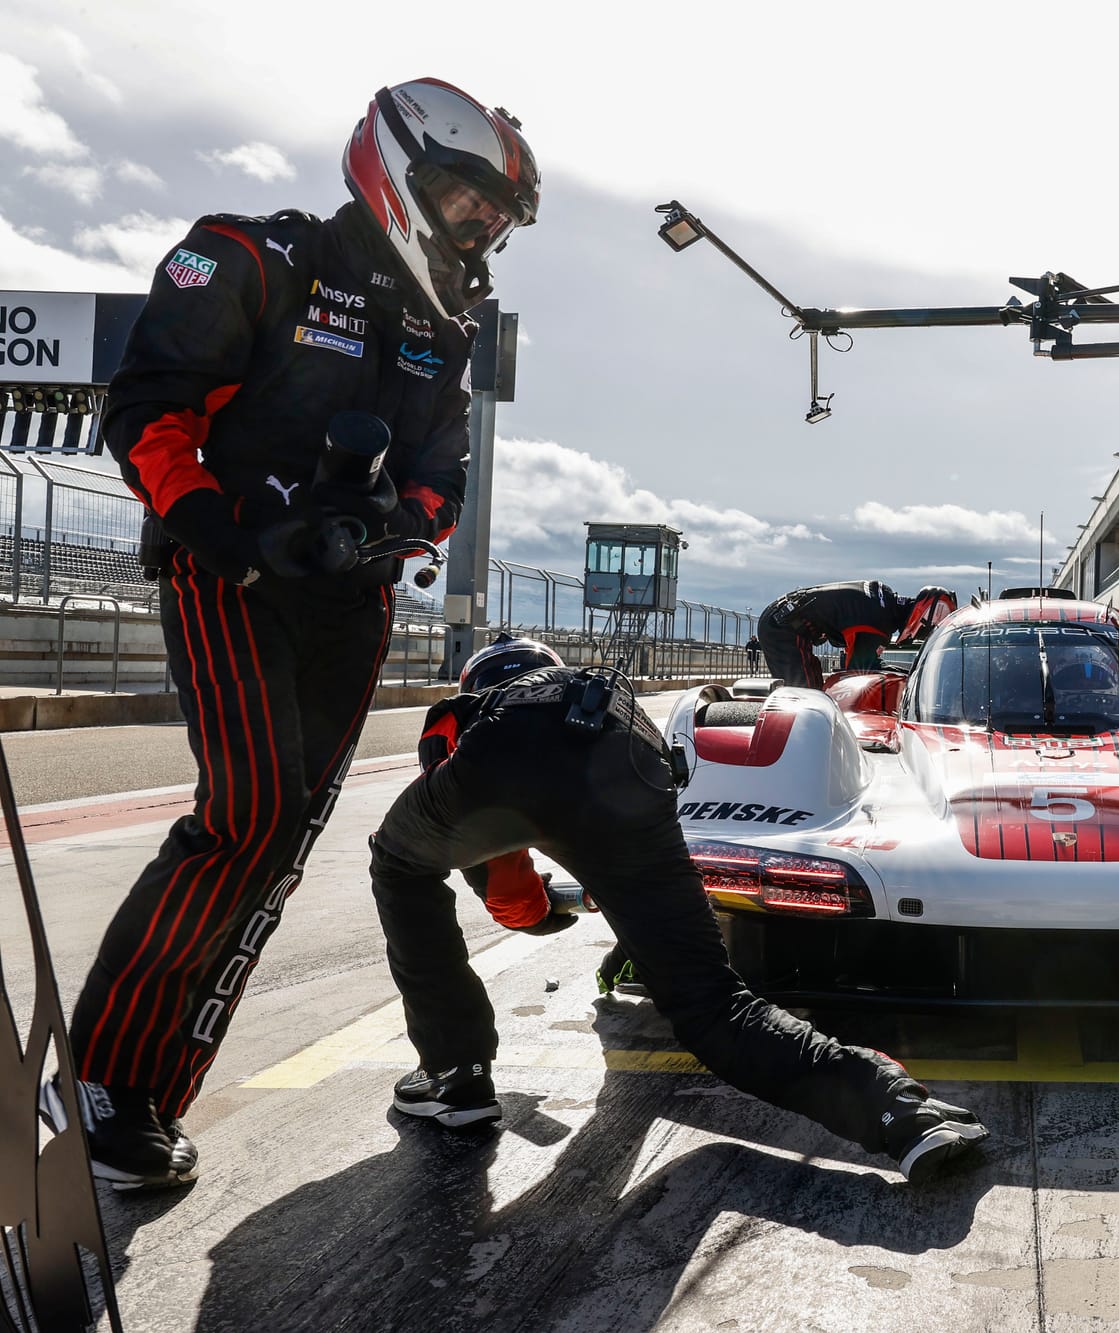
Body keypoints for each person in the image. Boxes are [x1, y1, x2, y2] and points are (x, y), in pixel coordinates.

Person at [54, 79, 539, 1192]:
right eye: (470, 203)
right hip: (227, 575)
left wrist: (392, 524)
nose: (481, 229)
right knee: (248, 811)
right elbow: (145, 408)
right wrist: (230, 532)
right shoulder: (249, 255)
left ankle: (145, 1096)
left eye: (495, 219)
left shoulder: (444, 329)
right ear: (405, 170)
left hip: (350, 602)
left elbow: (442, 475)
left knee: (281, 837)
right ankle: (102, 1084)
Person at [369, 636, 990, 1183]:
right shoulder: (590, 697)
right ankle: (901, 1115)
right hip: (633, 764)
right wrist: (617, 910)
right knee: (712, 1007)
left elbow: (509, 896)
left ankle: (456, 1075)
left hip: (514, 758)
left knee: (397, 863)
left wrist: (547, 911)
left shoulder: (467, 717)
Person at [755, 581, 955, 689]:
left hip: (787, 621)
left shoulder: (883, 600)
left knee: (816, 694)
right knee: (803, 697)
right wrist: (911, 675)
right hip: (783, 627)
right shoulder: (877, 621)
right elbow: (859, 672)